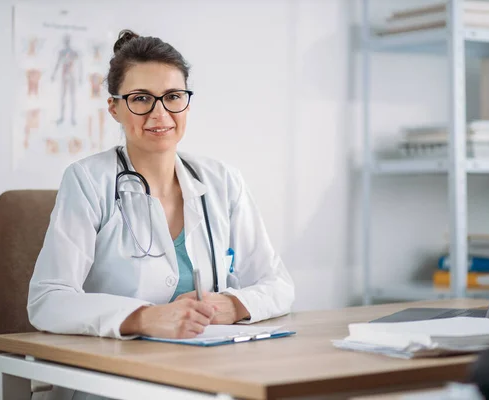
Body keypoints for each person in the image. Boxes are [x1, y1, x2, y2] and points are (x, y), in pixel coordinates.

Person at [27, 29, 294, 348]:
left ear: (186, 103)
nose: (160, 113)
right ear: (114, 108)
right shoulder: (87, 180)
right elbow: (48, 300)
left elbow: (278, 285)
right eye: (141, 98)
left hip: (205, 366)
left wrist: (231, 306)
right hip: (114, 372)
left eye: (172, 97)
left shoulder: (223, 181)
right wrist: (143, 317)